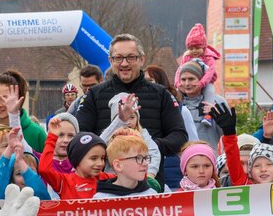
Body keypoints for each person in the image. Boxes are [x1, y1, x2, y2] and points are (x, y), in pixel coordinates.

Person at [75, 33, 188, 183]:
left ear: (142, 59)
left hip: (149, 184)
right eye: (118, 58)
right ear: (110, 60)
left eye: (131, 57)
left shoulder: (161, 94)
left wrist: (144, 147)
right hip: (105, 185)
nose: (124, 63)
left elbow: (179, 136)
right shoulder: (94, 95)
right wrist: (110, 149)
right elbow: (81, 137)